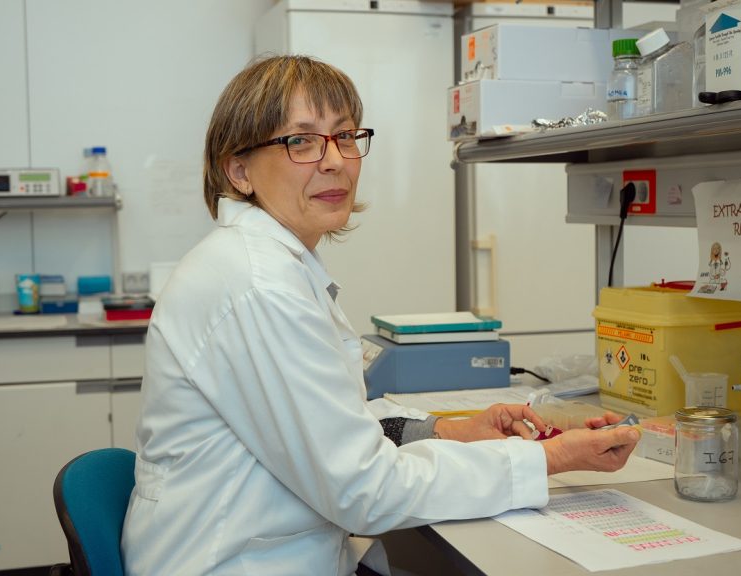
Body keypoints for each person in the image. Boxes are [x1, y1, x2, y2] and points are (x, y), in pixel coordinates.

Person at [121, 54, 640, 576]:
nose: (335, 161)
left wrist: (451, 431)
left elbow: (334, 423)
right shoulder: (257, 284)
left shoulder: (273, 264)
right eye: (300, 141)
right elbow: (362, 492)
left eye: (345, 136)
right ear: (239, 169)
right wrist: (552, 458)